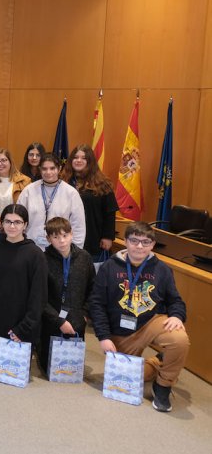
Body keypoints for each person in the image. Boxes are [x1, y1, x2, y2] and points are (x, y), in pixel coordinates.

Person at [89, 222, 190, 413]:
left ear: (152, 245)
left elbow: (176, 301)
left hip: (150, 323)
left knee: (179, 339)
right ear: (125, 241)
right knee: (125, 378)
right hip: (119, 330)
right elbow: (96, 304)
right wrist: (103, 337)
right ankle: (156, 363)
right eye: (134, 240)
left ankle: (163, 386)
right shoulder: (109, 267)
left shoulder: (162, 269)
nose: (140, 246)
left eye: (145, 242)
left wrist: (177, 316)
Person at [0, 204, 47, 372]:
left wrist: (24, 329)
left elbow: (38, 296)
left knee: (15, 371)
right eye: (8, 221)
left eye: (17, 222)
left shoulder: (35, 254)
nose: (12, 226)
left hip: (21, 325)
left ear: (25, 225)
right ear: (1, 223)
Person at [37, 217, 94, 375]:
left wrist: (84, 314)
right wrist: (58, 320)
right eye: (55, 237)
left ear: (72, 234)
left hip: (77, 317)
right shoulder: (42, 259)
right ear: (48, 239)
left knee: (71, 368)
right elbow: (39, 296)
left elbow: (93, 289)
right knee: (48, 367)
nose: (61, 241)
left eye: (65, 235)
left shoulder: (84, 258)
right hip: (51, 318)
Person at [17, 153, 85, 251]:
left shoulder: (71, 193)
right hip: (31, 247)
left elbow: (78, 226)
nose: (48, 172)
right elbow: (19, 219)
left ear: (59, 168)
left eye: (52, 168)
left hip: (60, 249)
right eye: (44, 169)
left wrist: (75, 252)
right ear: (40, 169)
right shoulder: (29, 190)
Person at [62, 144, 119, 257]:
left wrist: (107, 237)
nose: (79, 160)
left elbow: (110, 213)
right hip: (64, 235)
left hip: (93, 237)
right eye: (76, 157)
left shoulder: (102, 184)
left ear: (90, 162)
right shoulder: (62, 181)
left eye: (84, 158)